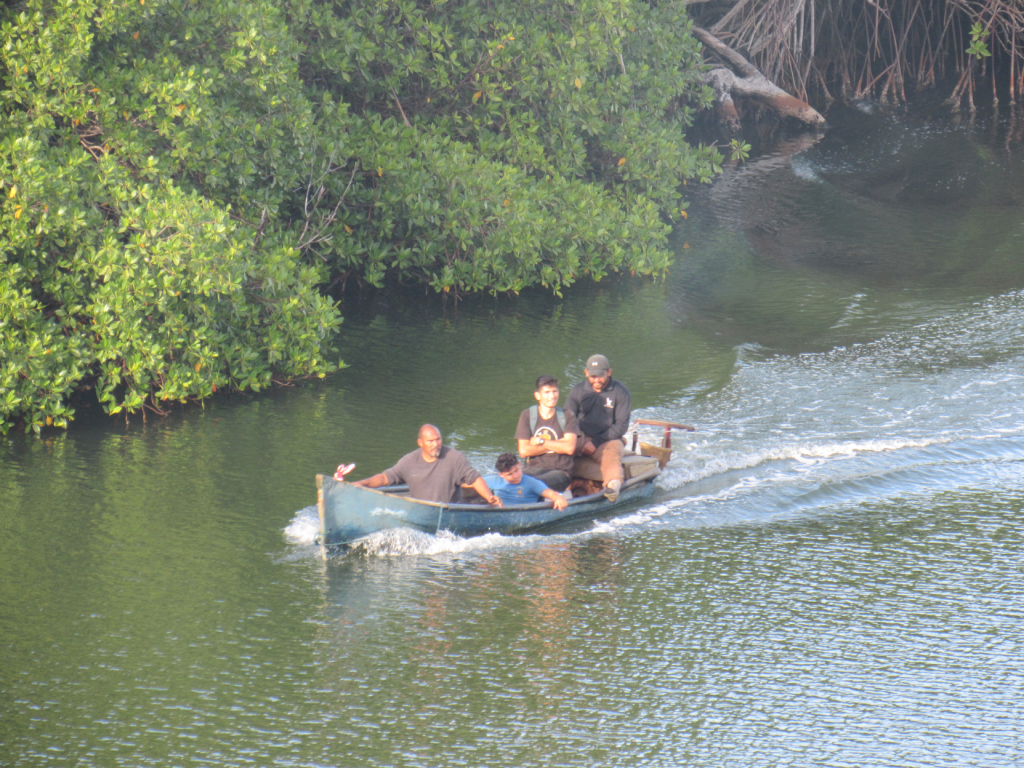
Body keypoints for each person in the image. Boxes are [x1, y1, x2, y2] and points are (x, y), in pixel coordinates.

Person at [352, 424, 502, 507]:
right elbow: (385, 478)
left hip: (449, 512)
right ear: (420, 443)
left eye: (438, 440)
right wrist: (361, 483)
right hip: (421, 510)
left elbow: (474, 478)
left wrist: (490, 497)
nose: (435, 444)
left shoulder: (454, 458)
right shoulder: (409, 461)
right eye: (430, 441)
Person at [565, 354, 631, 502]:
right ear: (586, 373)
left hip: (607, 439)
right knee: (561, 448)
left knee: (612, 453)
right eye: (593, 376)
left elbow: (621, 425)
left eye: (600, 376)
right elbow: (567, 419)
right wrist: (576, 438)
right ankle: (551, 485)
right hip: (580, 436)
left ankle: (613, 485)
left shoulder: (620, 392)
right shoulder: (577, 391)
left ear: (608, 372)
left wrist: (595, 443)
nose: (596, 380)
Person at [515, 375, 580, 493]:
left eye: (555, 391)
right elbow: (524, 451)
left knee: (533, 484)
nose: (552, 396)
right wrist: (559, 443)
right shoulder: (527, 415)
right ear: (537, 395)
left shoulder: (567, 415)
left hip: (560, 472)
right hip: (533, 468)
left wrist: (541, 442)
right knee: (511, 479)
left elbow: (569, 448)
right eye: (547, 392)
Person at [488, 453, 568, 510]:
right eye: (510, 474)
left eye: (516, 470)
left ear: (519, 465)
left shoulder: (531, 482)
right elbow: (476, 481)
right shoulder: (494, 480)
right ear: (501, 475)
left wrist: (558, 497)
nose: (515, 476)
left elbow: (551, 494)